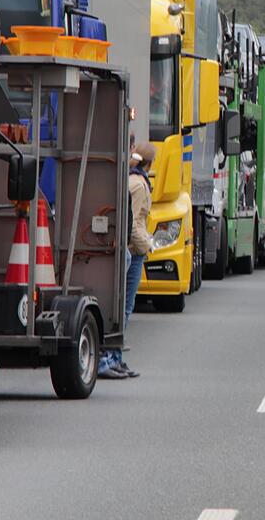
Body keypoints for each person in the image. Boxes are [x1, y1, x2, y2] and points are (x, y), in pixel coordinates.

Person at [100, 141, 155, 379]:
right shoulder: (140, 185)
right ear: (150, 163)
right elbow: (135, 224)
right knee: (125, 307)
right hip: (133, 249)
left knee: (119, 306)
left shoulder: (129, 179)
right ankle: (110, 358)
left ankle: (115, 358)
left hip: (127, 247)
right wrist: (148, 245)